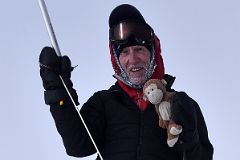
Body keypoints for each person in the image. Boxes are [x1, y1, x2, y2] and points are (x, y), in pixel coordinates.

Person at [39, 4, 213, 160]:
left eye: (139, 49)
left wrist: (189, 136)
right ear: (116, 60)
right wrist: (58, 91)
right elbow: (78, 146)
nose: (133, 59)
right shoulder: (104, 102)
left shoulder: (181, 104)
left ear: (153, 54)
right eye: (124, 52)